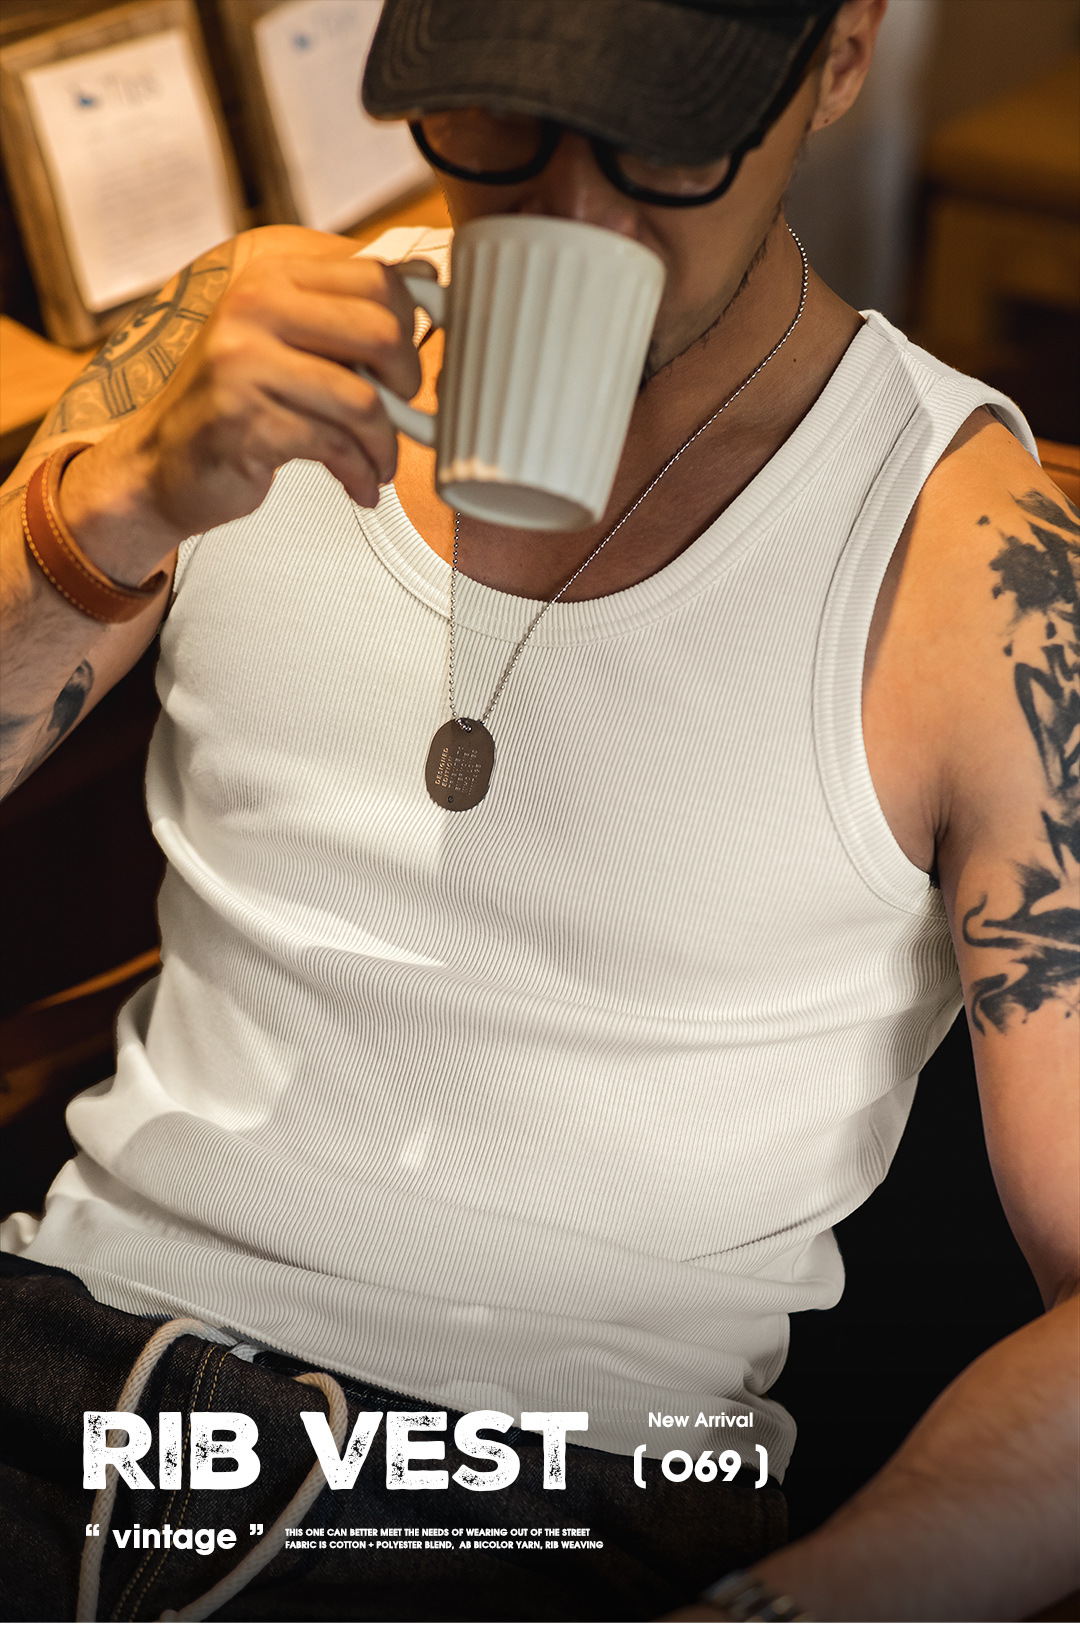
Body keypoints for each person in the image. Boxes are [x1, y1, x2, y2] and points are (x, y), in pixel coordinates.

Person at [1, 0, 1076, 1621]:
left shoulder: (971, 568)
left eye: (662, 142)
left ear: (841, 60)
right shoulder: (240, 350)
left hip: (554, 1494)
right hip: (66, 1361)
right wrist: (120, 498)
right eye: (503, 119)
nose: (572, 213)